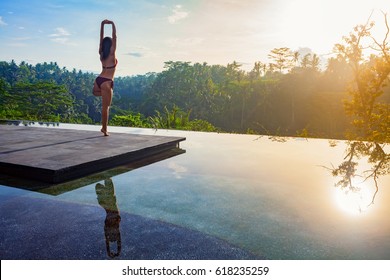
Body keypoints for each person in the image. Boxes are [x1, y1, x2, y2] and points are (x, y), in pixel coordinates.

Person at [93, 19, 117, 136]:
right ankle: (104, 129)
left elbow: (100, 38)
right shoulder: (112, 53)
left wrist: (102, 25)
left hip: (99, 80)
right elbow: (115, 36)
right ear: (111, 44)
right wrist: (112, 24)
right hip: (107, 81)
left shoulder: (101, 53)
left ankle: (104, 128)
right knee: (106, 107)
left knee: (102, 99)